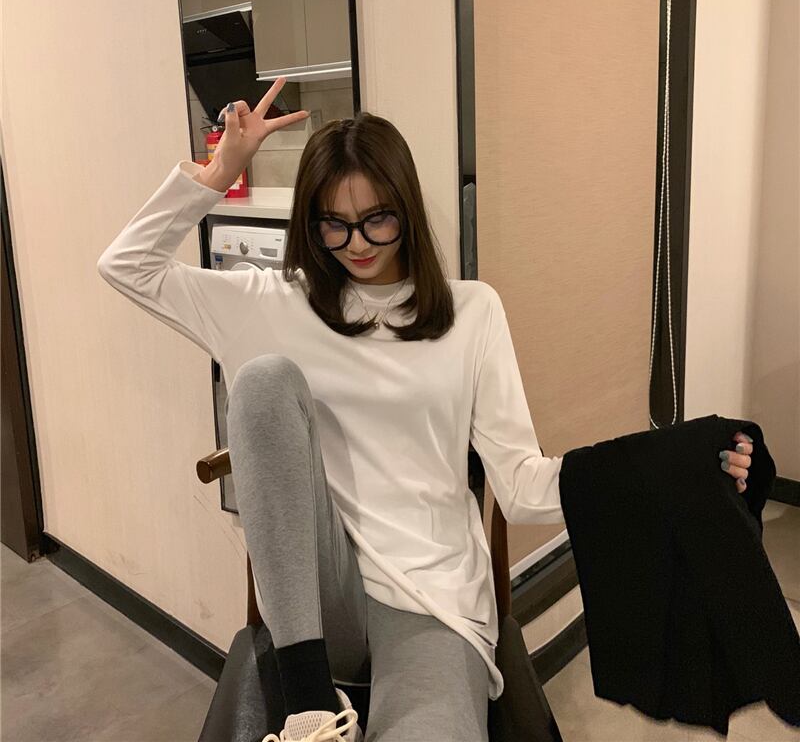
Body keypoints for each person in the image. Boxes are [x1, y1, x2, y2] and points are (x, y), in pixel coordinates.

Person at [96, 77, 753, 742]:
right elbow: (127, 266)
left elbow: (523, 488)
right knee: (264, 381)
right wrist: (217, 174)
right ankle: (310, 709)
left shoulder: (473, 313)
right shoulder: (271, 302)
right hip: (320, 607)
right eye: (333, 224)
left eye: (377, 219)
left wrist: (670, 465)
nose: (357, 243)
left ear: (406, 210)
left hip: (433, 598)